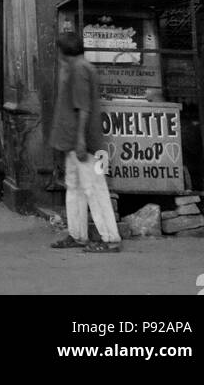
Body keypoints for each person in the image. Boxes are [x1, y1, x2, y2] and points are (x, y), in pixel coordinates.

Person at [50, 32, 122, 252]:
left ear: (62, 51)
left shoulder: (79, 69)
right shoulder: (78, 67)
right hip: (74, 141)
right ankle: (77, 234)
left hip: (83, 141)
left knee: (93, 188)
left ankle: (110, 239)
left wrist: (81, 140)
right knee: (76, 188)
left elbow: (83, 108)